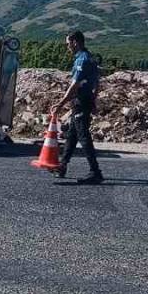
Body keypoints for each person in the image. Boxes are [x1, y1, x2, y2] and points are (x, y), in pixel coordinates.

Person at [50, 31, 103, 184]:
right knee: (72, 136)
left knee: (83, 136)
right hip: (83, 101)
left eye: (68, 44)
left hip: (81, 101)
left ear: (75, 42)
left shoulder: (82, 59)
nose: (67, 47)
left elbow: (74, 85)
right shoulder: (90, 57)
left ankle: (95, 172)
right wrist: (93, 99)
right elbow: (96, 81)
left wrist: (60, 104)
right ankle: (62, 165)